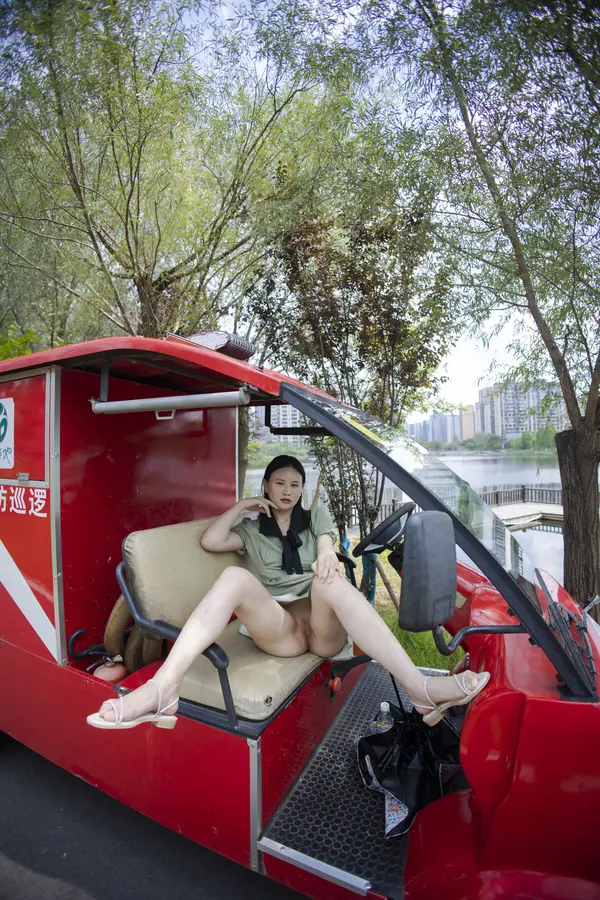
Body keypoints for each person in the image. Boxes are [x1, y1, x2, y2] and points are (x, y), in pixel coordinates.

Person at [87, 455, 489, 730]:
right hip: (282, 630)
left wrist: (327, 553)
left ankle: (419, 687)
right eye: (279, 482)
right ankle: (163, 688)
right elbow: (211, 541)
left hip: (323, 624)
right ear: (266, 485)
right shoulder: (251, 531)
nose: (287, 490)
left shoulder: (313, 517)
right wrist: (243, 505)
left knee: (326, 579)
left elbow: (327, 542)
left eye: (295, 484)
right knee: (233, 577)